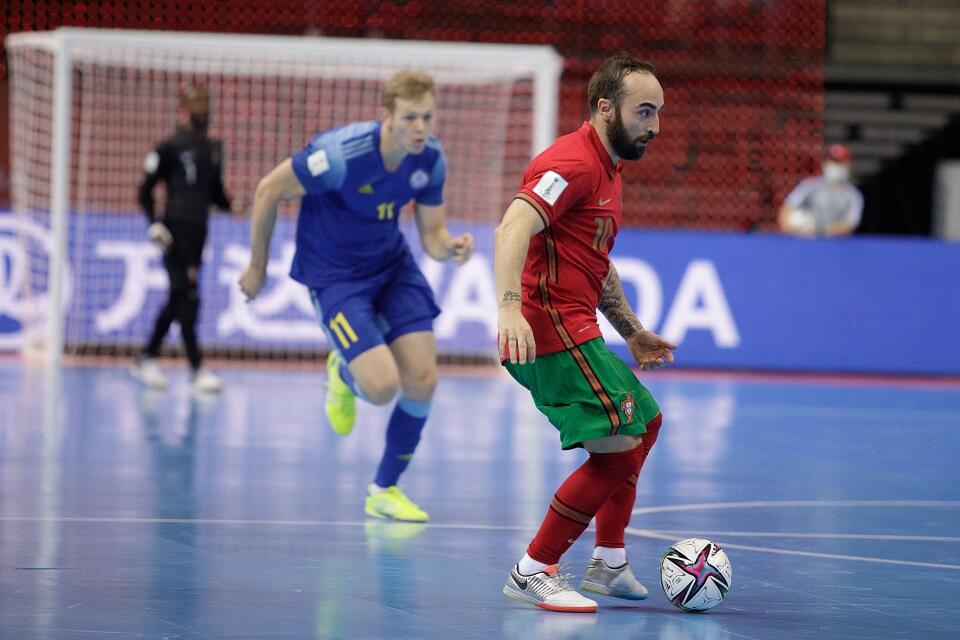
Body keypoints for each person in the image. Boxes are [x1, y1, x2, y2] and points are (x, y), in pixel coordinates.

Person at [238, 71, 474, 523]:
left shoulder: (430, 158)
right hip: (336, 278)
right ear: (386, 116)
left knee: (423, 379)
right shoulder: (339, 156)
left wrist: (451, 248)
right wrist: (257, 267)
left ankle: (384, 490)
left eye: (427, 117)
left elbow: (433, 235)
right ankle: (342, 373)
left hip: (392, 268)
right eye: (410, 118)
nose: (421, 128)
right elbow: (268, 190)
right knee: (382, 387)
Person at [494, 52, 676, 613]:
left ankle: (609, 561)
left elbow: (593, 259)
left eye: (659, 112)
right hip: (547, 333)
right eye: (644, 111)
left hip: (577, 330)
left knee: (646, 421)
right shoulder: (571, 163)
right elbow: (512, 226)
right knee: (618, 453)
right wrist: (508, 309)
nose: (655, 125)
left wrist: (632, 330)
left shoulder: (607, 167)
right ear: (605, 108)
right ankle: (533, 569)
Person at [130, 84, 231, 393]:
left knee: (183, 297)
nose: (203, 109)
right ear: (185, 108)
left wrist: (234, 206)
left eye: (206, 103)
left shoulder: (214, 148)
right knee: (185, 294)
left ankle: (147, 357)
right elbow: (145, 190)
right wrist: (154, 225)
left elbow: (215, 193)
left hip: (199, 233)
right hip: (173, 232)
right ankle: (195, 368)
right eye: (197, 104)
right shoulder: (169, 147)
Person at [778, 143, 863, 237]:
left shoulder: (854, 195)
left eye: (840, 162)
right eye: (833, 162)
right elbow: (787, 209)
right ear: (824, 163)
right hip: (805, 240)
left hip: (835, 242)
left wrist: (817, 231)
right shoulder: (809, 185)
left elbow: (850, 224)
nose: (836, 166)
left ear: (848, 165)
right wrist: (792, 229)